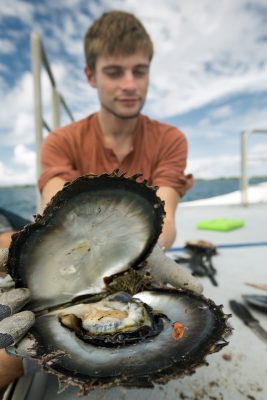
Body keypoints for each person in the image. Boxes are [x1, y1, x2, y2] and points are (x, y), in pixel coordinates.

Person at [0, 10, 200, 399]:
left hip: (132, 266)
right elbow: (55, 206)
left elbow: (166, 216)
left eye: (139, 71)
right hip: (67, 255)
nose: (129, 85)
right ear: (91, 76)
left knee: (16, 356)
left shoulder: (170, 139)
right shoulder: (61, 140)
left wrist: (148, 249)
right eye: (114, 71)